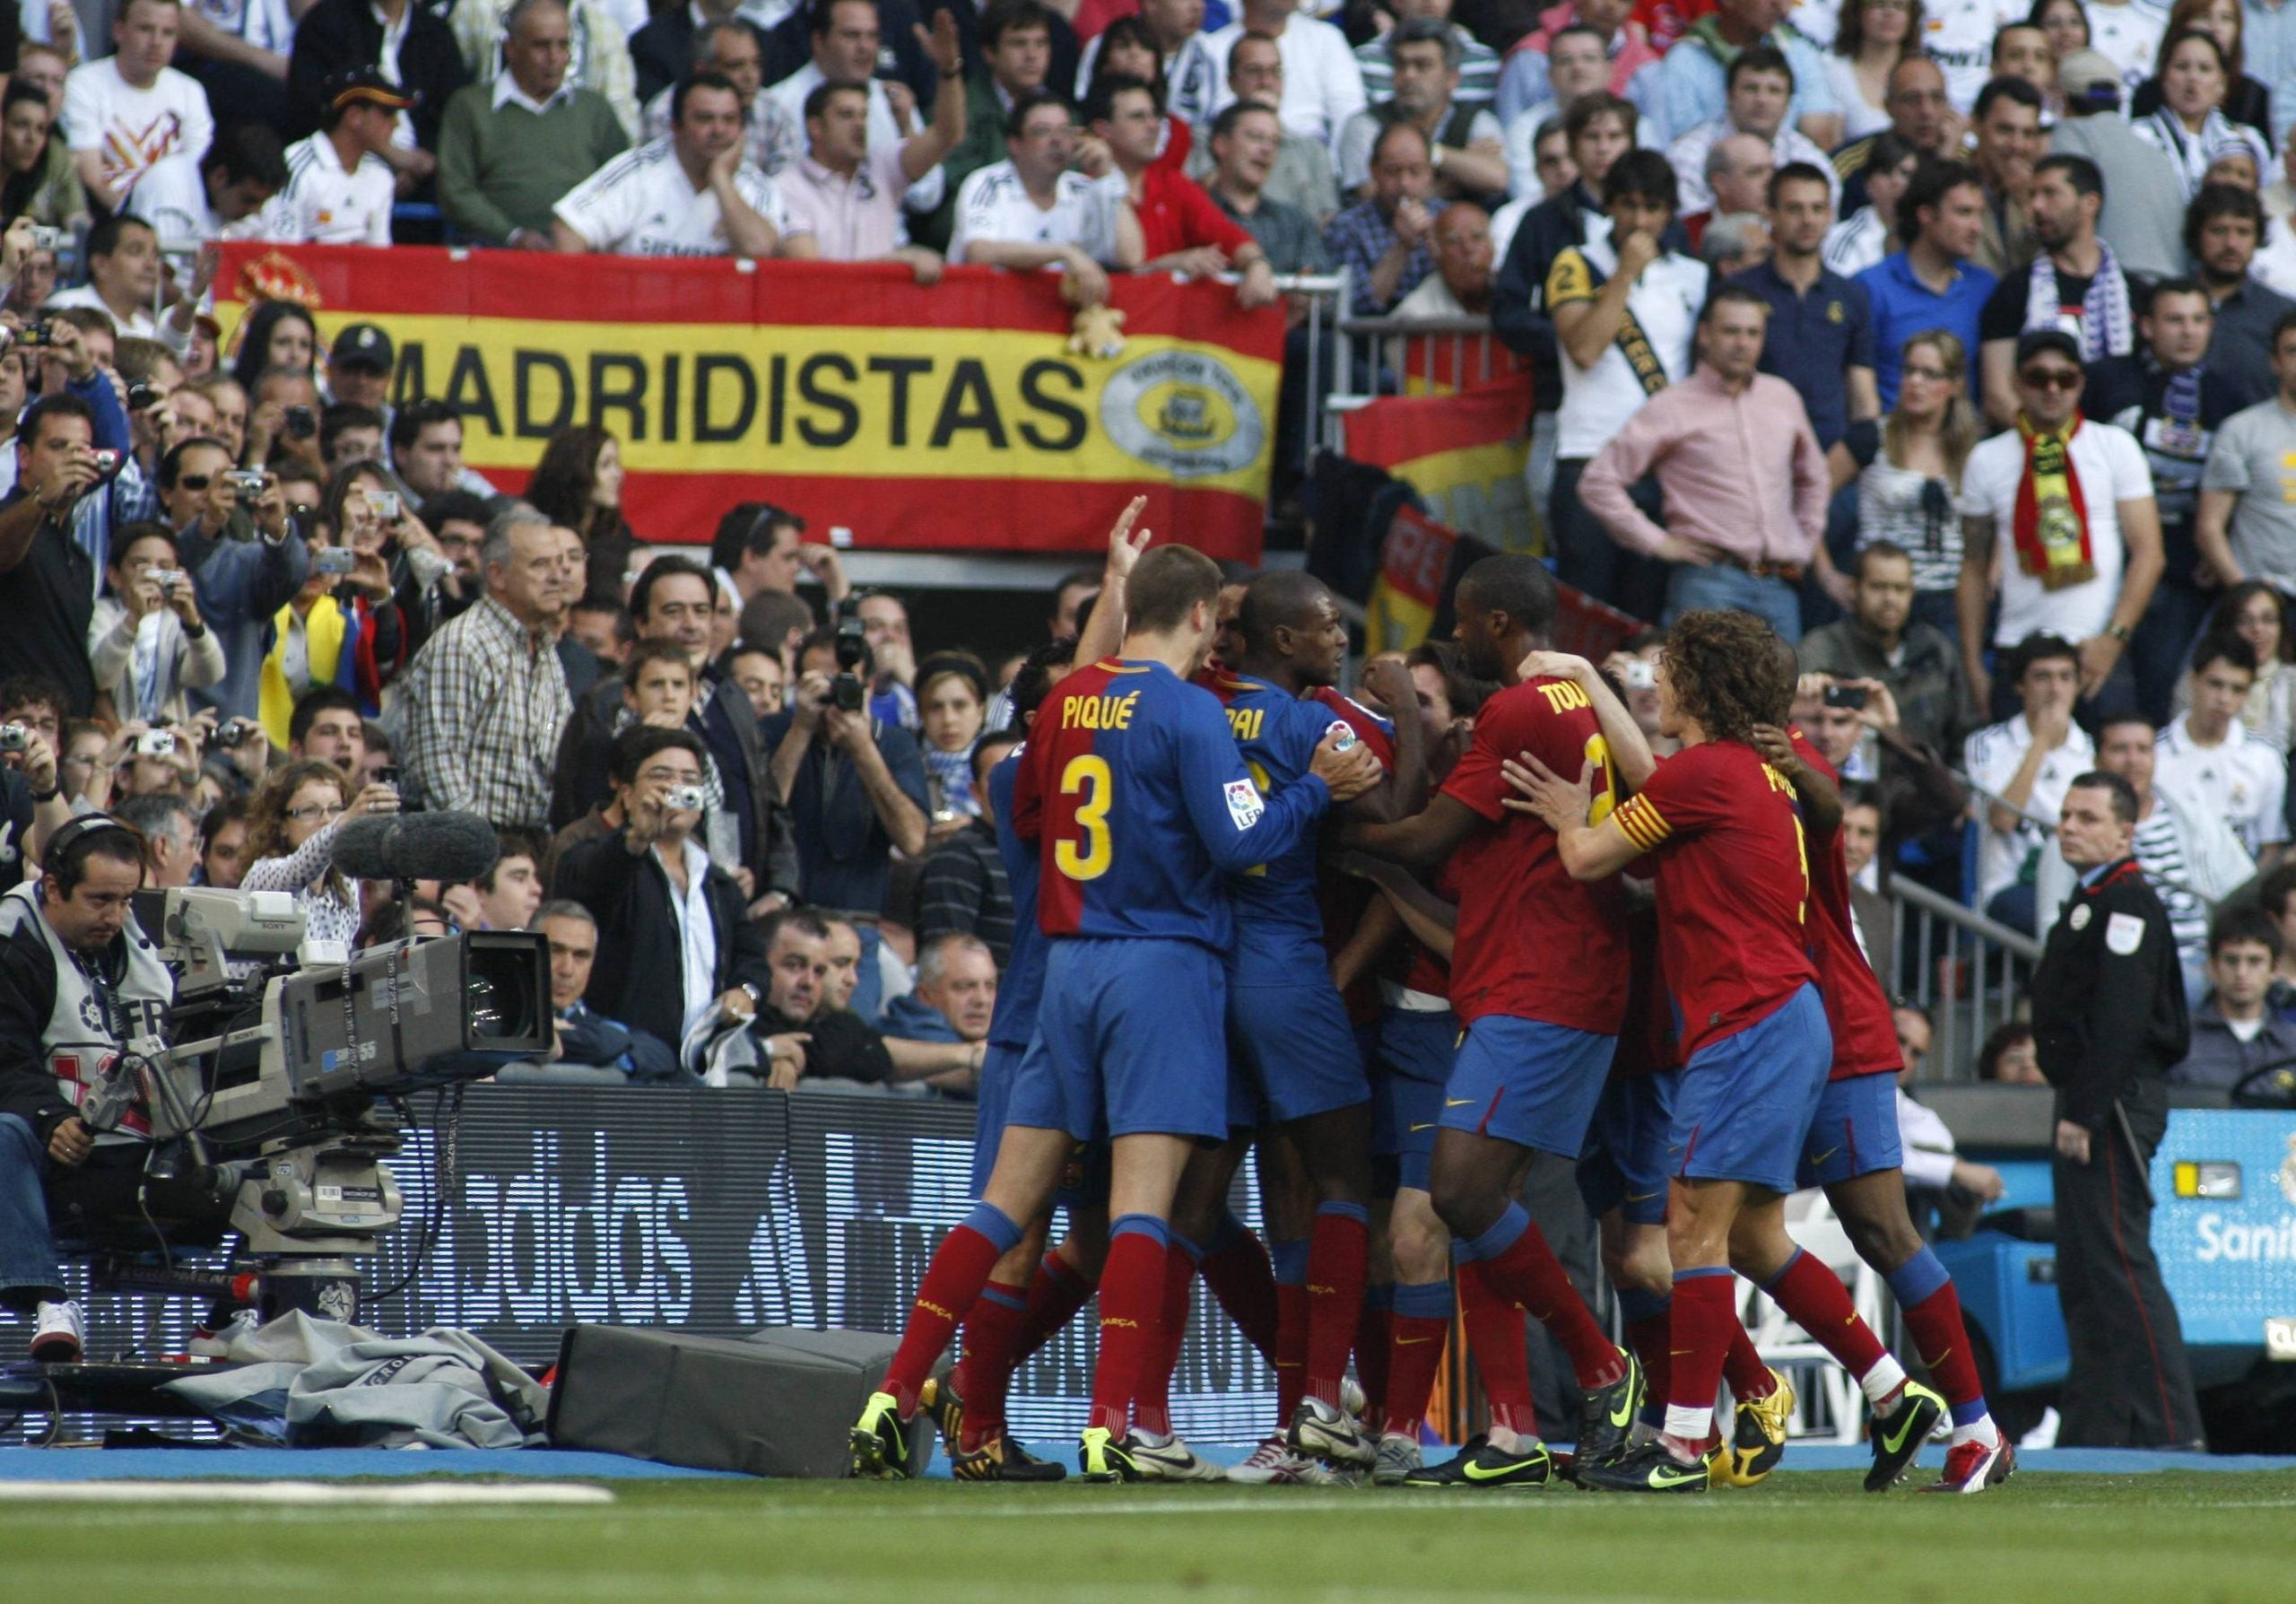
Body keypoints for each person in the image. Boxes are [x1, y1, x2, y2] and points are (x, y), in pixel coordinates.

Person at [847, 542, 1375, 1484]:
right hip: (1160, 966)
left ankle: (891, 1396)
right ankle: (1118, 1427)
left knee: (1004, 1206)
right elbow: (1239, 839)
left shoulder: (1063, 705)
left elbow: (1027, 817)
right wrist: (1310, 790)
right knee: (1141, 1204)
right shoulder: (1189, 710)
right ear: (1207, 616)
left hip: (1065, 969)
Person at [1508, 607, 1944, 1495]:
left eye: (1665, 672)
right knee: (1750, 1236)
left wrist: (1563, 814)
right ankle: (1894, 1392)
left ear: (1697, 688)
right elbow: (1652, 781)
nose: (1656, 686)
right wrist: (1592, 685)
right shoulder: (1734, 773)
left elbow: (1592, 856)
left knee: (1688, 1227)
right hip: (1775, 1020)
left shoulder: (1706, 775)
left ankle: (1677, 1448)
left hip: (1748, 1025)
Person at [1336, 558, 1644, 1489]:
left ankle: (1601, 1370)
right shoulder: (1574, 703)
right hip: (1542, 974)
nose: (1455, 637)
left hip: (1538, 980)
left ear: (1497, 622)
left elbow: (1430, 836)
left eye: (1463, 624)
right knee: (1483, 1206)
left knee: (1461, 1191)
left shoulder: (1519, 708)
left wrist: (1334, 830)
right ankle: (1510, 1434)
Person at [2031, 769, 2206, 1449]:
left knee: (2118, 1262)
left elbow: (2120, 1019)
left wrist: (2087, 1109)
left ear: (2126, 831)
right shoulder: (2092, 900)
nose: (2069, 827)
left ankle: (2172, 1426)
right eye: (2066, 815)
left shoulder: (2127, 902)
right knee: (2084, 1268)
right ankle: (2096, 1428)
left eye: (2087, 817)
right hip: (2088, 1098)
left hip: (2111, 1103)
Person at [0, 815, 174, 1364]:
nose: (116, 916)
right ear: (54, 888)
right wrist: (51, 1119)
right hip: (58, 1153)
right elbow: (6, 1059)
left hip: (154, 1143)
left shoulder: (149, 937)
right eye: (100, 899)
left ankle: (242, 1310)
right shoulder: (14, 944)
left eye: (126, 900)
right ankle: (47, 1299)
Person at [1579, 283, 1830, 639]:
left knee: (1785, 694)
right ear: (1705, 335)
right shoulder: (1672, 406)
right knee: (1702, 693)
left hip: (1779, 583)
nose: (1742, 342)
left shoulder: (1782, 397)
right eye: (1730, 331)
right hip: (1709, 580)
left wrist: (1805, 540)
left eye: (1752, 333)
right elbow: (1598, 481)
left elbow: (1814, 477)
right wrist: (1658, 542)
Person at [1955, 329, 2162, 722]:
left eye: (2065, 379)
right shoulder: (1987, 458)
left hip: (2097, 646)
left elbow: (2149, 553)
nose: (2052, 389)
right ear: (2016, 383)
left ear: (2080, 383)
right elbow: (1974, 566)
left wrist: (2113, 639)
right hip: (2018, 647)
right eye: (2038, 378)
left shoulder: (2115, 446)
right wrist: (1973, 667)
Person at [1544, 148, 1707, 621]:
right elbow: (1585, 349)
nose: (1639, 219)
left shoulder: (1693, 277)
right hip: (1586, 456)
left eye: (1652, 208)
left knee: (1645, 620)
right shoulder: (1575, 262)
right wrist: (1626, 273)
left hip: (1661, 467)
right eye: (1629, 205)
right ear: (1608, 206)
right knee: (1585, 618)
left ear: (1669, 213)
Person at [553, 725, 770, 1065]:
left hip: (702, 1070)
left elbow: (753, 959)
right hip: (626, 1065)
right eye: (661, 776)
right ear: (626, 793)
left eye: (689, 778)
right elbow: (586, 892)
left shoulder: (717, 882)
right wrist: (636, 839)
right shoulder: (600, 855)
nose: (675, 787)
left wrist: (746, 993)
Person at [2090, 279, 2242, 724]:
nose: (2187, 331)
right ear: (2147, 326)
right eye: (2174, 320)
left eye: (2198, 320)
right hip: (2108, 563)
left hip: (2184, 576)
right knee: (2101, 692)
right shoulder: (2107, 380)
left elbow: (2237, 489)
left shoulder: (2227, 398)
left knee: (2158, 697)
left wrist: (2221, 548)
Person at [397, 503, 573, 828]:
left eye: (561, 565)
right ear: (496, 574)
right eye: (540, 565)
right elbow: (440, 768)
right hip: (467, 847)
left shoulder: (546, 649)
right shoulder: (464, 644)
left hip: (529, 845)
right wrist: (480, 852)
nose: (558, 577)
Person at [1735, 161, 1880, 501]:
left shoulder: (1851, 296)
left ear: (1831, 215)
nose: (1808, 220)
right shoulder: (1740, 292)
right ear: (1770, 214)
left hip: (1834, 466)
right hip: (1756, 466)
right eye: (1794, 209)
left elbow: (1864, 402)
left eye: (1818, 208)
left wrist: (1825, 483)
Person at [779, 15, 968, 273]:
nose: (860, 124)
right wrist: (897, 261)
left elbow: (947, 134)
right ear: (815, 127)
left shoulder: (882, 168)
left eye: (864, 115)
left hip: (886, 310)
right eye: (846, 115)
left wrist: (948, 71)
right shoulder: (787, 186)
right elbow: (813, 275)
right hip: (819, 312)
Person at [436, 0, 631, 249]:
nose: (554, 58)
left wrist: (580, 235)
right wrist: (512, 235)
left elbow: (621, 186)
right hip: (493, 252)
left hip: (582, 257)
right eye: (541, 45)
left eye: (563, 45)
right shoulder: (470, 106)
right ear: (511, 49)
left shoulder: (595, 110)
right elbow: (455, 190)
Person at [1086, 75, 1277, 307]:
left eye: (1154, 115)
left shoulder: (1173, 185)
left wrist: (1257, 264)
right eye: (1138, 117)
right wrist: (1164, 267)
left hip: (1158, 332)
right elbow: (1091, 274)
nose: (1153, 125)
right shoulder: (1078, 189)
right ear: (1102, 130)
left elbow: (1228, 236)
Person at [1977, 154, 2135, 429]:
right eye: (2032, 195)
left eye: (2050, 194)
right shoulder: (2014, 289)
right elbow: (1998, 394)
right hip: (2035, 449)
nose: (2037, 206)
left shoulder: (2134, 291)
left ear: (2090, 203)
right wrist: (2053, 445)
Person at [552, 71, 784, 256]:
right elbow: (568, 231)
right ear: (676, 126)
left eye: (729, 120)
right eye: (705, 119)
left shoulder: (755, 186)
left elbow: (761, 250)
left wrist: (721, 179)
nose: (719, 130)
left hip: (717, 313)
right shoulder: (640, 170)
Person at [949, 90, 1141, 309]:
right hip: (988, 317)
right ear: (1015, 144)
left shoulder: (1086, 189)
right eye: (1042, 131)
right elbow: (979, 252)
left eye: (1065, 131)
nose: (1057, 140)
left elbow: (1131, 258)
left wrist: (1107, 176)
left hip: (1061, 329)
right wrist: (1064, 252)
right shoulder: (988, 183)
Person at [764, 0, 947, 222]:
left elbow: (927, 197)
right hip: (805, 238)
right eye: (852, 36)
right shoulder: (778, 104)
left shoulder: (892, 100)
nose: (865, 47)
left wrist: (906, 128)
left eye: (872, 36)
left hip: (886, 239)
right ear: (819, 41)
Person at [1964, 631, 2095, 926]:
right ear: (2020, 686)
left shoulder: (2088, 749)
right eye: (2042, 677)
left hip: (2073, 887)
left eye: (2065, 677)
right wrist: (2041, 743)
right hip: (2009, 889)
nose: (2055, 689)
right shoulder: (1987, 744)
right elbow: (2003, 820)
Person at [1800, 541, 1969, 760]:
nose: (1890, 599)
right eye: (1878, 587)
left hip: (1926, 782)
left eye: (1900, 589)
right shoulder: (1821, 649)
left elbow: (1964, 733)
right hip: (1842, 787)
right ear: (1854, 588)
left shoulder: (1936, 649)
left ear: (1912, 593)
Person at [284, 0, 469, 194]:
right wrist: (391, 155)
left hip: (422, 182)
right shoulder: (326, 22)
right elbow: (310, 108)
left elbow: (452, 113)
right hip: (341, 175)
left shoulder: (435, 33)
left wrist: (420, 164)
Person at [1857, 158, 1997, 409]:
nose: (1977, 227)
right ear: (1926, 214)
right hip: (1892, 439)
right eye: (1964, 212)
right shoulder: (1871, 287)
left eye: (1980, 214)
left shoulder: (1985, 288)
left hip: (1965, 442)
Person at [2047, 48, 2189, 283]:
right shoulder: (2157, 154)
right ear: (2119, 100)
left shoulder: (2072, 134)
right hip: (2166, 291)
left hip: (2113, 288)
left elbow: (2062, 215)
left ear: (2063, 101)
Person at [63, 0, 215, 215]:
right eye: (146, 29)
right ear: (119, 31)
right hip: (110, 221)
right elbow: (92, 177)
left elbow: (192, 173)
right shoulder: (84, 83)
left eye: (168, 33)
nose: (156, 42)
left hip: (176, 217)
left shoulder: (190, 91)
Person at [1336, 20, 1507, 206]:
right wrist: (1457, 174)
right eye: (1401, 65)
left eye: (1422, 65)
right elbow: (1369, 195)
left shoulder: (1476, 120)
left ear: (1452, 78)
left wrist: (1436, 154)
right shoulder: (1366, 124)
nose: (1409, 75)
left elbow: (1497, 178)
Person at [2153, 632, 2289, 863]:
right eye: (2216, 684)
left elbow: (2270, 848)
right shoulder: (2155, 754)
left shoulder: (2266, 759)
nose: (2224, 699)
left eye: (2237, 689)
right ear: (2192, 680)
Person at [239, 756, 397, 949]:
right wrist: (343, 823)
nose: (326, 820)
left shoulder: (346, 884)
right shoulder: (263, 874)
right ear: (280, 825)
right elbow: (299, 869)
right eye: (310, 810)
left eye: (335, 809)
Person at [1666, 46, 1836, 220]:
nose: (1762, 100)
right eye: (1751, 88)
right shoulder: (1689, 155)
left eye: (1774, 91)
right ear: (1729, 95)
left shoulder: (1810, 159)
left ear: (1789, 102)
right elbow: (1691, 224)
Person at [1190, 30, 1340, 224]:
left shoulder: (1311, 149)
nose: (1267, 82)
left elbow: (1328, 221)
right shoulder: (1204, 139)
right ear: (1231, 81)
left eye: (1275, 72)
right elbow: (1204, 199)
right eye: (1254, 71)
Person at [88, 522, 225, 728]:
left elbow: (210, 674)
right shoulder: (102, 613)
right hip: (117, 741)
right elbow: (101, 677)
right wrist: (133, 619)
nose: (153, 575)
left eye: (164, 567)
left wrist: (193, 623)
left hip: (166, 742)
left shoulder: (175, 621)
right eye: (141, 565)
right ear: (114, 576)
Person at [2197, 310, 2296, 596]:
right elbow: (2209, 526)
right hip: (2265, 596)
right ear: (2275, 362)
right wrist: (2244, 596)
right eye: (2292, 351)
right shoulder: (2242, 429)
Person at [535, 899, 687, 1081]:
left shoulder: (598, 1025)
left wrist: (566, 1041)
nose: (567, 969)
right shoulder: (503, 1018)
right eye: (555, 950)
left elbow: (661, 1055)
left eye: (581, 956)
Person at [1657, 0, 1842, 149]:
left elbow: (1820, 136)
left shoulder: (1798, 51)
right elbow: (1681, 141)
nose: (1779, 4)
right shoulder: (1685, 58)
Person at [260, 69, 407, 246]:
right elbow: (281, 249)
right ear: (355, 117)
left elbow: (379, 254)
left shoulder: (381, 175)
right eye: (387, 114)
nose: (396, 123)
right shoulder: (295, 166)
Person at [1204, 0, 1367, 150]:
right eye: (1254, 70)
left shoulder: (1327, 38)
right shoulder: (1211, 48)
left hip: (1310, 162)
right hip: (1238, 157)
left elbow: (1349, 116)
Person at [2188, 182, 2296, 407]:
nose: (2231, 244)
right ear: (2197, 235)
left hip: (2256, 439)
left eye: (2243, 231)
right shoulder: (2170, 303)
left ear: (2257, 239)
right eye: (2218, 230)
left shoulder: (2281, 313)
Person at [1323, 121, 1448, 315]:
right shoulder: (1346, 227)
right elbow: (1352, 307)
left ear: (1430, 173)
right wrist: (1402, 247)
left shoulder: (1447, 218)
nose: (1404, 183)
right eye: (1393, 171)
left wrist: (1442, 251)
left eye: (1415, 171)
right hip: (1373, 339)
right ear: (1373, 170)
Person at [2135, 28, 2271, 202]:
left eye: (2205, 69)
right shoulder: (2138, 137)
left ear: (2222, 82)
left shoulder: (2248, 142)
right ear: (2164, 77)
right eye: (2182, 67)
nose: (2193, 77)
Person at [917, 732, 1017, 966]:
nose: (1013, 788)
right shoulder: (959, 857)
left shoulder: (1051, 855)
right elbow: (948, 966)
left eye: (1025, 775)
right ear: (976, 792)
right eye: (999, 778)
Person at [2175, 908, 2296, 1089]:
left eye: (2254, 961)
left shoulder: (2292, 1043)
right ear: (2212, 968)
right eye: (2231, 960)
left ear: (2275, 969)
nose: (2241, 973)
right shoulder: (2180, 1042)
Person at [2172, 580, 2296, 751]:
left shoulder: (2292, 681)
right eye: (2246, 621)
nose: (2258, 629)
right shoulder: (2196, 680)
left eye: (2268, 620)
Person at [526, 425, 634, 606]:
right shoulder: (537, 530)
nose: (618, 475)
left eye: (617, 464)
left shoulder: (616, 533)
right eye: (606, 465)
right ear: (577, 469)